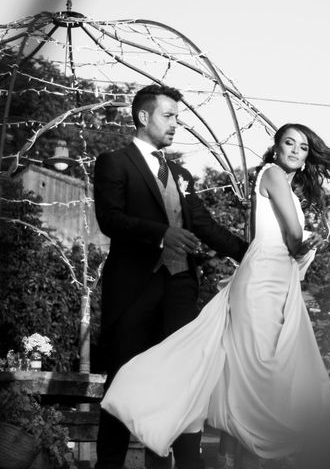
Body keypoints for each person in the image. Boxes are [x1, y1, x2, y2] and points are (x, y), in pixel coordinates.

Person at [100, 123, 330, 468]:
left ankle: (228, 457)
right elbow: (293, 236)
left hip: (271, 277)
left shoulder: (275, 182)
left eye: (303, 146)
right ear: (276, 147)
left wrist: (287, 250)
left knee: (252, 370)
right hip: (261, 282)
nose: (297, 151)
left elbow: (247, 237)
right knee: (261, 369)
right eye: (289, 143)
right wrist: (302, 245)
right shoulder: (273, 175)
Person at [93, 84, 249, 469]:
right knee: (124, 381)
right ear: (144, 116)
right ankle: (107, 466)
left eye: (178, 116)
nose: (177, 124)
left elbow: (207, 227)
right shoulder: (114, 162)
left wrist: (255, 254)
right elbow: (110, 219)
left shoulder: (180, 173)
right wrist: (161, 233)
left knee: (179, 384)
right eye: (169, 115)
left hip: (180, 288)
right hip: (133, 290)